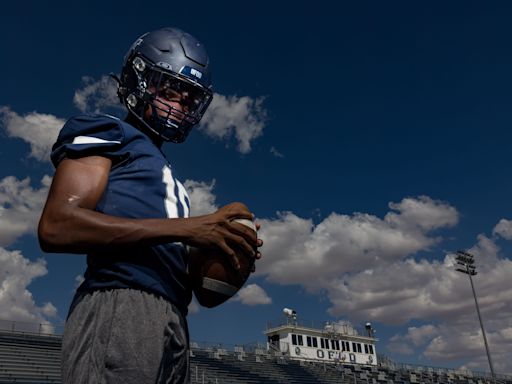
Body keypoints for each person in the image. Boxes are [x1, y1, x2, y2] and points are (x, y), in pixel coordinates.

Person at [38, 27, 262, 384]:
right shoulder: (107, 130)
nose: (180, 106)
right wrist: (189, 228)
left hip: (174, 316)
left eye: (190, 100)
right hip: (122, 305)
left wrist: (226, 253)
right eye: (172, 91)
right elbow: (57, 225)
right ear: (139, 78)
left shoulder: (168, 175)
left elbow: (203, 291)